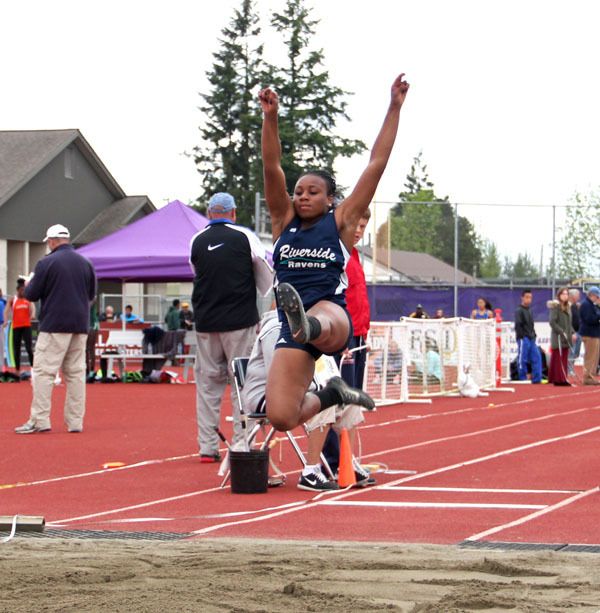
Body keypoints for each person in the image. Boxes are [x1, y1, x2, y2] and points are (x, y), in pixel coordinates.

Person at [259, 73, 409, 432]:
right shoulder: (283, 222)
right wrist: (270, 118)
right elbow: (271, 167)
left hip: (330, 313)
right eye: (299, 191)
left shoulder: (340, 223)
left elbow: (376, 164)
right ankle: (333, 393)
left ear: (330, 200)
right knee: (281, 417)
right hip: (291, 330)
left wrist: (394, 107)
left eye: (313, 191)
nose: (303, 196)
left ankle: (308, 323)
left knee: (319, 320)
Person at [241, 310, 374, 491]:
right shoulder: (274, 329)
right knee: (324, 402)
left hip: (294, 390)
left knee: (348, 402)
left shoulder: (305, 327)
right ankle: (310, 472)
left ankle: (346, 464)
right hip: (266, 395)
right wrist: (314, 389)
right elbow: (282, 373)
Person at [190, 192, 273, 462]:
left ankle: (207, 447)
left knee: (207, 385)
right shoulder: (246, 237)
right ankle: (241, 442)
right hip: (239, 321)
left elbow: (197, 272)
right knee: (242, 383)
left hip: (205, 323)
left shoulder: (196, 240)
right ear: (234, 213)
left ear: (209, 212)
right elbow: (265, 279)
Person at [14, 224, 96, 434]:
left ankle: (40, 420)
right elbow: (91, 295)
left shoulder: (46, 262)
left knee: (44, 372)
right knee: (76, 374)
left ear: (51, 241)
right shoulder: (86, 263)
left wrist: (30, 281)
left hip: (54, 325)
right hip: (80, 325)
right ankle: (75, 422)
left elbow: (31, 294)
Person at [323, 212, 373, 474]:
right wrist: (340, 336)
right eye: (355, 225)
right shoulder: (335, 254)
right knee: (338, 400)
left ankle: (346, 459)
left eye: (363, 226)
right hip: (342, 337)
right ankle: (333, 461)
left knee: (353, 400)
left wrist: (364, 335)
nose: (359, 230)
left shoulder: (353, 254)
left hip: (358, 338)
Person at [3, 280, 35, 373]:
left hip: (26, 326)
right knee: (16, 349)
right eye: (21, 290)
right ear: (17, 290)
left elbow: (32, 307)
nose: (23, 292)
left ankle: (33, 369)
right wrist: (5, 320)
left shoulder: (28, 299)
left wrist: (32, 314)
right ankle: (17, 370)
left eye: (24, 290)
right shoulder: (13, 299)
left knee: (29, 348)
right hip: (16, 326)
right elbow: (6, 311)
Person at [547, 287, 575, 386]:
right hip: (558, 337)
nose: (565, 296)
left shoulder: (568, 307)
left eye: (567, 294)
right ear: (559, 295)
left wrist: (572, 332)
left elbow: (569, 323)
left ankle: (562, 377)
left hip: (566, 337)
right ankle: (559, 379)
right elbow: (552, 322)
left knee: (564, 357)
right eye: (563, 294)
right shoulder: (556, 307)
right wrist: (561, 331)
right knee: (558, 357)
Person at [514, 289, 542, 383]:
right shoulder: (519, 310)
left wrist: (533, 335)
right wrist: (522, 336)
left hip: (531, 338)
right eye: (527, 297)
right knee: (523, 359)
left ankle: (537, 379)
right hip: (523, 338)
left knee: (536, 357)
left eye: (530, 297)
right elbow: (518, 324)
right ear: (522, 298)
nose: (529, 299)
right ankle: (523, 378)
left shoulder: (530, 310)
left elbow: (531, 324)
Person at [579, 286, 600, 385]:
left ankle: (591, 375)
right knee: (590, 356)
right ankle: (588, 377)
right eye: (597, 296)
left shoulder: (591, 305)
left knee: (594, 356)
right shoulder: (587, 305)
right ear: (592, 295)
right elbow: (589, 319)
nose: (597, 299)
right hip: (590, 334)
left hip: (594, 334)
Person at [567, 288, 581, 375]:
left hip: (579, 332)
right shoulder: (568, 306)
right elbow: (568, 321)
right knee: (571, 352)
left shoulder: (576, 306)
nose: (579, 297)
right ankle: (569, 369)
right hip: (573, 333)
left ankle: (571, 368)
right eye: (578, 295)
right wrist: (572, 333)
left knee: (576, 352)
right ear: (572, 296)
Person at [0, 288, 6, 371]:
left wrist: (5, 321)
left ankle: (1, 368)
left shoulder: (2, 303)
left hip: (0, 325)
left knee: (1, 348)